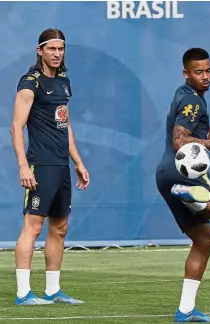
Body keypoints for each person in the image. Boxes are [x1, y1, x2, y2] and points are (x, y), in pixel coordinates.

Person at [155, 47, 210, 322]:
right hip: (185, 172)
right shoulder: (192, 101)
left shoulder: (187, 96)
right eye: (198, 72)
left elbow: (201, 131)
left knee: (204, 239)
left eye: (208, 70)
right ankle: (196, 199)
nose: (205, 76)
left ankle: (185, 310)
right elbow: (180, 140)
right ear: (186, 73)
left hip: (164, 174)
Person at [10, 28, 90, 305]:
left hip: (61, 166)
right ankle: (23, 293)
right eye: (51, 49)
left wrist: (78, 161)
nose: (57, 54)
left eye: (61, 49)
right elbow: (16, 126)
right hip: (39, 165)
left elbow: (64, 125)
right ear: (40, 51)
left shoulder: (64, 83)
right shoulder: (29, 82)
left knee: (60, 228)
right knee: (32, 229)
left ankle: (53, 290)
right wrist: (23, 166)